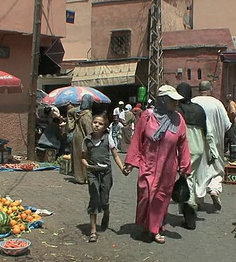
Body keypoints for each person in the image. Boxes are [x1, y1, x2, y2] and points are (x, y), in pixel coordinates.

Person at [123, 85, 191, 244]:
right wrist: (131, 162)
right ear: (162, 100)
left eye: (176, 101)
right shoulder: (147, 116)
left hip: (168, 168)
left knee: (160, 199)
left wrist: (184, 166)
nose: (176, 104)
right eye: (172, 100)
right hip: (148, 164)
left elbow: (183, 144)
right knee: (146, 196)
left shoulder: (178, 120)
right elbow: (137, 140)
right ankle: (146, 225)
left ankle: (155, 229)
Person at [81, 114, 125, 243]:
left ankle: (106, 212)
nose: (96, 125)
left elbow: (115, 156)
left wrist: (122, 168)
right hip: (92, 173)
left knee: (104, 199)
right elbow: (83, 157)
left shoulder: (107, 138)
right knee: (94, 198)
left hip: (105, 172)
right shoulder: (87, 140)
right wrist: (88, 166)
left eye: (100, 124)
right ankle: (93, 231)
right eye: (95, 122)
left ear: (105, 126)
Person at [192, 81, 231, 211]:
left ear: (199, 90)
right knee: (217, 169)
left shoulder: (193, 102)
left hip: (196, 142)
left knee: (198, 171)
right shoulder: (217, 103)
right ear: (211, 89)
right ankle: (214, 189)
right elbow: (227, 125)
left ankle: (198, 199)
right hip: (215, 144)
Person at [175, 82, 206, 229]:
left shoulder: (177, 110)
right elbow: (207, 131)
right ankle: (188, 213)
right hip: (199, 148)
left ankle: (190, 210)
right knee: (190, 178)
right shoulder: (199, 109)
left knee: (186, 180)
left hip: (185, 150)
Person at [72, 95, 94, 184]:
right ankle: (85, 177)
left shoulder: (78, 112)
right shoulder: (87, 114)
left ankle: (78, 177)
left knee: (77, 157)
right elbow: (88, 129)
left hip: (76, 136)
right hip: (83, 137)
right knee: (85, 157)